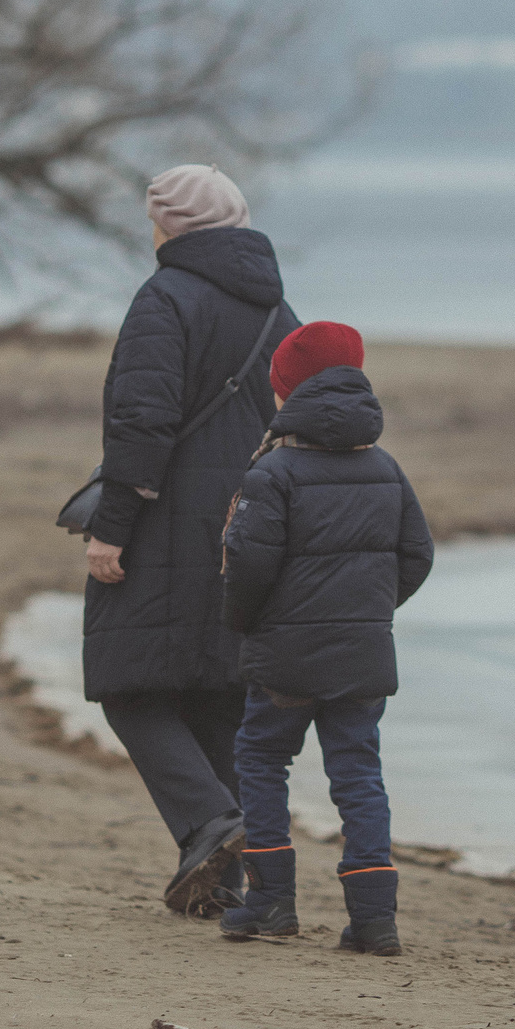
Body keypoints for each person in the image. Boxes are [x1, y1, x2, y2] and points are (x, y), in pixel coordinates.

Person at [82, 164, 299, 914]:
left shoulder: (166, 297)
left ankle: (211, 823)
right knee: (216, 694)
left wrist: (111, 528)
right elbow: (296, 417)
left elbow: (142, 421)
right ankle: (222, 882)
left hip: (169, 519)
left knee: (126, 683)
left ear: (167, 225)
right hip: (255, 518)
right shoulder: (278, 307)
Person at [214, 321, 433, 955]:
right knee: (358, 773)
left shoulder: (273, 471)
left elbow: (247, 565)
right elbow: (417, 556)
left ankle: (270, 902)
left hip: (285, 653)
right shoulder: (386, 468)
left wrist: (245, 623)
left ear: (288, 391)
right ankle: (374, 919)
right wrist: (366, 611)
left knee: (261, 759)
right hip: (362, 652)